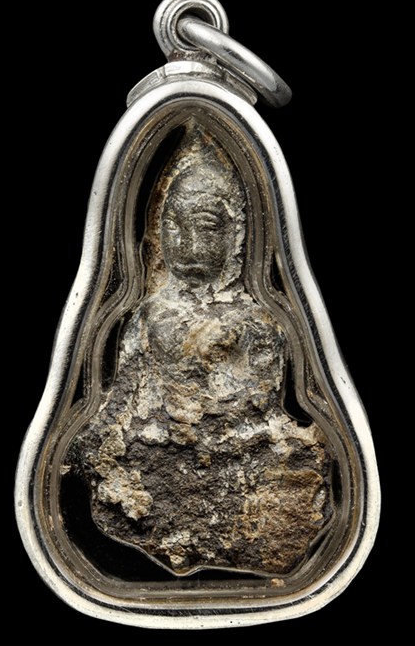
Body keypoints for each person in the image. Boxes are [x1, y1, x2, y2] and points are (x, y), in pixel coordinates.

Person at [74, 121, 332, 576]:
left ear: (236, 237)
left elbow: (261, 415)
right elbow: (122, 399)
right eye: (173, 226)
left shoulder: (256, 323)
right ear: (157, 232)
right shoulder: (146, 316)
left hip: (232, 457)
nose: (188, 245)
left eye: (207, 227)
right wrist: (101, 438)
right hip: (158, 458)